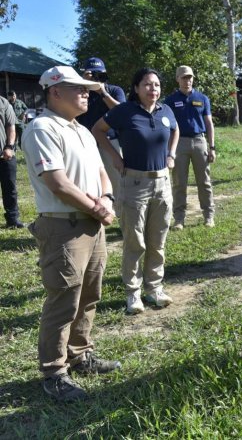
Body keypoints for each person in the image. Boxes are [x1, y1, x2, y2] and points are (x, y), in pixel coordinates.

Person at [23, 65, 121, 401]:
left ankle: (80, 354)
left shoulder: (79, 129)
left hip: (91, 225)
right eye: (78, 88)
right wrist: (99, 209)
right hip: (63, 226)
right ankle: (54, 371)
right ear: (54, 91)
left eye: (86, 88)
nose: (86, 93)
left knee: (89, 294)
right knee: (63, 299)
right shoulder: (42, 128)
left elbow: (100, 172)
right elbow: (58, 183)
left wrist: (106, 198)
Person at [93, 68, 179, 315]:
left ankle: (154, 288)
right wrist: (114, 157)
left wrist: (171, 154)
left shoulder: (166, 110)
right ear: (136, 88)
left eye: (157, 85)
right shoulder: (124, 111)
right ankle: (133, 293)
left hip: (162, 183)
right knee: (135, 241)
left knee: (158, 240)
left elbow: (175, 130)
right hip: (134, 184)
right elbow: (98, 130)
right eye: (148, 85)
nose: (154, 89)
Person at [163, 66, 216, 230]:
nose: (188, 80)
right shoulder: (170, 101)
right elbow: (167, 126)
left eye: (190, 77)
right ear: (177, 79)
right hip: (179, 143)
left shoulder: (202, 98)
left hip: (200, 142)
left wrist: (212, 147)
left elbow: (208, 123)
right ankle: (179, 219)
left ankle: (209, 216)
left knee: (204, 181)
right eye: (184, 77)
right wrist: (168, 151)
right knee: (179, 183)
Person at [75, 58, 128, 216]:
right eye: (92, 74)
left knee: (117, 180)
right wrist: (83, 85)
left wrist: (102, 92)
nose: (96, 78)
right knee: (88, 180)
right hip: (85, 143)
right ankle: (96, 213)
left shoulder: (113, 90)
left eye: (99, 74)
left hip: (111, 142)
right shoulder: (82, 93)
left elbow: (122, 112)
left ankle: (122, 216)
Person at [0, 94, 23, 228]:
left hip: (4, 155)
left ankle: (12, 219)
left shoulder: (3, 103)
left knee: (10, 188)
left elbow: (11, 126)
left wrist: (9, 146)